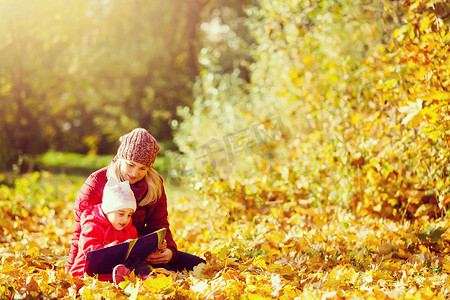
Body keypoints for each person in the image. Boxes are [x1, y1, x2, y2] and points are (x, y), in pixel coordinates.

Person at [66, 128, 205, 275]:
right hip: (108, 253)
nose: (134, 173)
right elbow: (80, 234)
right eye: (130, 164)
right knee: (159, 273)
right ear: (120, 158)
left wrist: (169, 250)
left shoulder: (154, 185)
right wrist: (70, 272)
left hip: (139, 248)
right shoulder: (96, 183)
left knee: (199, 265)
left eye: (142, 168)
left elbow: (159, 225)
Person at [69, 177, 139, 283]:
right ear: (108, 210)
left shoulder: (129, 229)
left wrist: (149, 250)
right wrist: (111, 249)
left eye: (129, 215)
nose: (126, 219)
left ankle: (127, 279)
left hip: (112, 270)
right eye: (121, 214)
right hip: (86, 272)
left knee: (136, 270)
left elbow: (135, 252)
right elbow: (90, 251)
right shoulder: (93, 225)